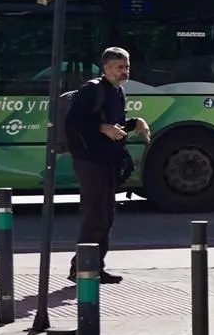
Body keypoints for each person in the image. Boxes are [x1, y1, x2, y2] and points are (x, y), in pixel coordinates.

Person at [63, 46, 150, 284]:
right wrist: (102, 128)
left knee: (106, 217)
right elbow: (73, 123)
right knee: (95, 217)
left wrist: (135, 123)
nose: (125, 72)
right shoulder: (91, 90)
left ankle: (94, 267)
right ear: (107, 68)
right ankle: (82, 269)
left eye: (127, 66)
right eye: (120, 67)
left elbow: (116, 127)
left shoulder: (117, 92)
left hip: (107, 160)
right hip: (90, 161)